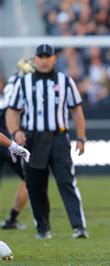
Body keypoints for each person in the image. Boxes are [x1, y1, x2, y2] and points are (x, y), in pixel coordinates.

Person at [6, 44, 88, 240]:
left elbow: (77, 110)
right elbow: (12, 111)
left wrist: (81, 137)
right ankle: (43, 229)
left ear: (54, 59)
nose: (44, 60)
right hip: (33, 138)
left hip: (58, 137)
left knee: (66, 182)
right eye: (40, 56)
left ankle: (79, 227)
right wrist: (16, 131)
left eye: (47, 56)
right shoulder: (23, 82)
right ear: (35, 59)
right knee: (35, 185)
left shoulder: (65, 81)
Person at [0, 58, 34, 230]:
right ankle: (15, 219)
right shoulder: (26, 84)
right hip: (7, 135)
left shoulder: (11, 82)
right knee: (31, 179)